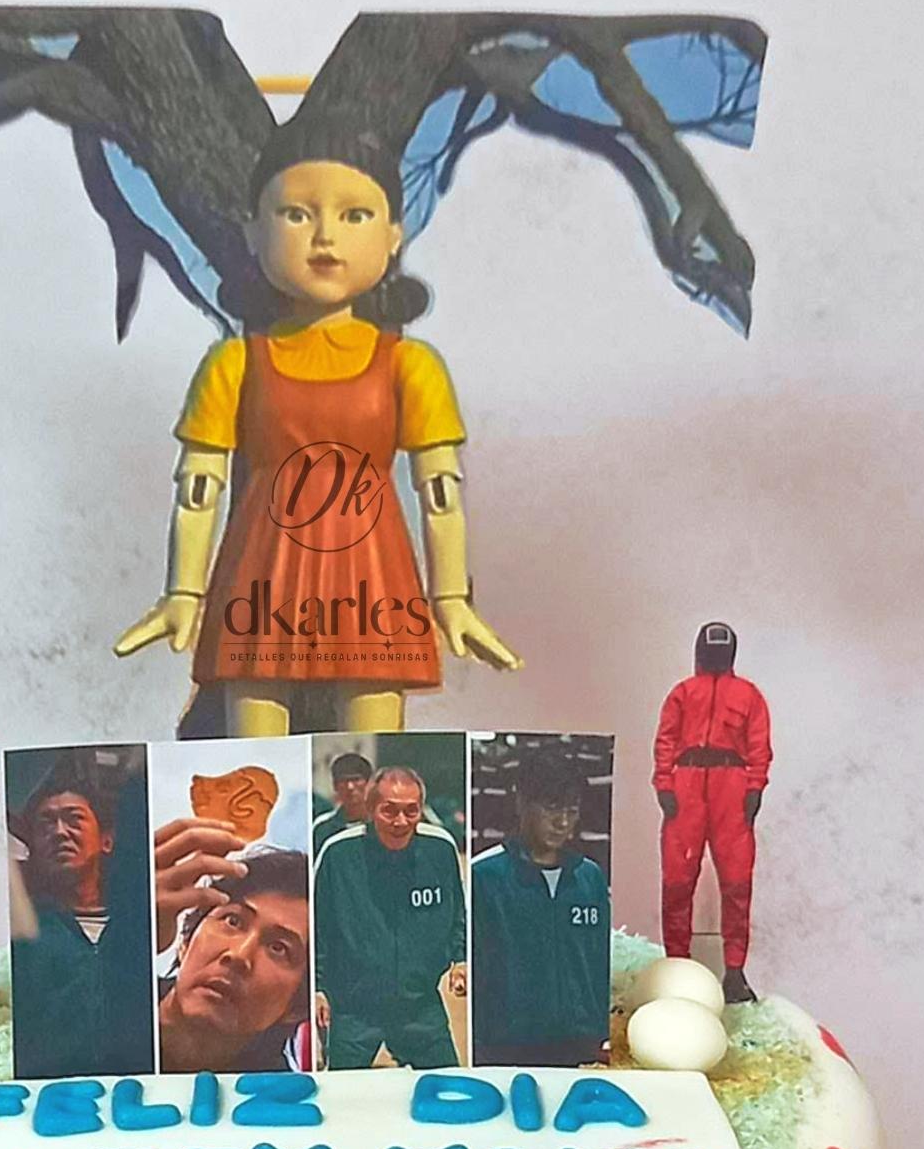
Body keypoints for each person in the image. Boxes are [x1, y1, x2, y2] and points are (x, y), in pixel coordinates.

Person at [113, 124, 521, 737]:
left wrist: (452, 600)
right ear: (254, 232)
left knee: (376, 752)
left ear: (393, 236)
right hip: (262, 577)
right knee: (253, 751)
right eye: (298, 214)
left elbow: (441, 494)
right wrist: (183, 595)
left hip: (374, 581)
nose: (325, 236)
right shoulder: (235, 363)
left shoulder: (411, 365)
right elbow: (198, 489)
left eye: (354, 215)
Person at [9, 755, 155, 1077]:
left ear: (106, 840)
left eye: (73, 819)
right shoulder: (20, 933)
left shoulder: (141, 926)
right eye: (46, 824)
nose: (60, 832)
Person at [311, 765, 466, 1068]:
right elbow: (318, 926)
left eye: (411, 811)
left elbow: (458, 912)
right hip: (354, 1009)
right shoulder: (338, 854)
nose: (400, 821)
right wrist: (317, 988)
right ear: (370, 810)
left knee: (451, 1085)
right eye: (389, 811)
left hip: (419, 1005)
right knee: (342, 1094)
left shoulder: (440, 849)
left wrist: (460, 959)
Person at [653, 621, 772, 1006]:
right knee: (677, 880)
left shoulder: (749, 695)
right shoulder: (682, 693)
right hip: (687, 784)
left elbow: (759, 744)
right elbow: (666, 739)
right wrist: (665, 783)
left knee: (737, 881)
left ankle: (734, 971)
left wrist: (753, 787)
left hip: (730, 788)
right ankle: (677, 964)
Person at [469, 748, 612, 1067]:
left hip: (580, 1046)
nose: (563, 822)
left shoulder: (589, 877)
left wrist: (599, 1031)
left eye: (572, 810)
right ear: (521, 803)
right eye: (552, 808)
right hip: (505, 1048)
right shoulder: (485, 876)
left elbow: (599, 960)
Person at [155, 849, 312, 1072]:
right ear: (185, 941)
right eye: (233, 921)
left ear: (297, 1009)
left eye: (278, 948)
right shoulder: (110, 1001)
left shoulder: (278, 1091)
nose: (239, 955)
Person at [313, 750, 374, 853]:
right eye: (343, 781)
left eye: (356, 780)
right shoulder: (322, 827)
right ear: (335, 785)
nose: (350, 787)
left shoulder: (381, 824)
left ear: (369, 783)